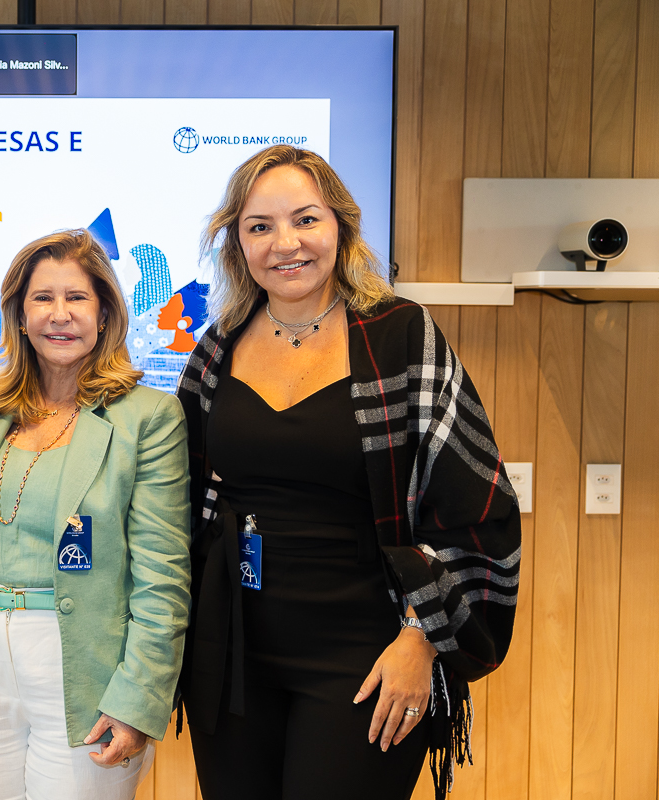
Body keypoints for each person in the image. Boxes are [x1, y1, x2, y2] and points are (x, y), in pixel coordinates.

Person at [176, 145, 520, 800]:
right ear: (236, 243)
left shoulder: (399, 335)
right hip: (233, 654)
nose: (286, 244)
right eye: (259, 226)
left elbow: (477, 509)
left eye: (305, 219)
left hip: (366, 655)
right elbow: (178, 499)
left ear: (341, 226)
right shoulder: (218, 344)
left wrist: (422, 638)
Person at [0, 229, 192, 800]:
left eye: (77, 298)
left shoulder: (149, 418)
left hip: (84, 663)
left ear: (106, 312)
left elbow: (163, 578)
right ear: (18, 314)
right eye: (42, 299)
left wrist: (138, 698)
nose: (59, 315)